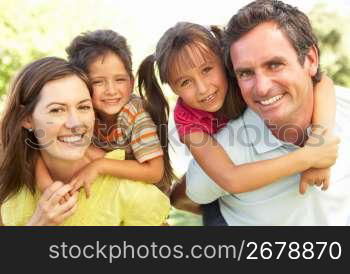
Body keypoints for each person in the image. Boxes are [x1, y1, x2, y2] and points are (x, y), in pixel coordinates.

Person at [137, 22, 339, 225]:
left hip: (246, 161)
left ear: (224, 61)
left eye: (207, 69)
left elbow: (321, 82)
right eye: (185, 82)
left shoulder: (243, 78)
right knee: (188, 193)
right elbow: (230, 179)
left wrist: (319, 141)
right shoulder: (186, 119)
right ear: (173, 88)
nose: (202, 88)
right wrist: (310, 158)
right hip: (219, 175)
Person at [181, 0, 350, 225]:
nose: (261, 87)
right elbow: (184, 198)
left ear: (310, 59)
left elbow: (324, 81)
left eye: (274, 65)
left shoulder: (341, 107)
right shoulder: (229, 149)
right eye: (246, 73)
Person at [0, 57, 170, 226]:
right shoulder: (10, 180)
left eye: (83, 107)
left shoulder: (128, 191)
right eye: (57, 110)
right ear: (26, 119)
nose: (76, 124)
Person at [36, 29, 176, 198]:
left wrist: (99, 165)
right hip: (110, 187)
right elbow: (36, 150)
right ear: (81, 84)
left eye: (119, 80)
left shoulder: (135, 113)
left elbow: (155, 172)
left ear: (131, 83)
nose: (111, 90)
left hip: (145, 192)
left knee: (86, 151)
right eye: (98, 82)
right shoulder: (80, 111)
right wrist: (48, 188)